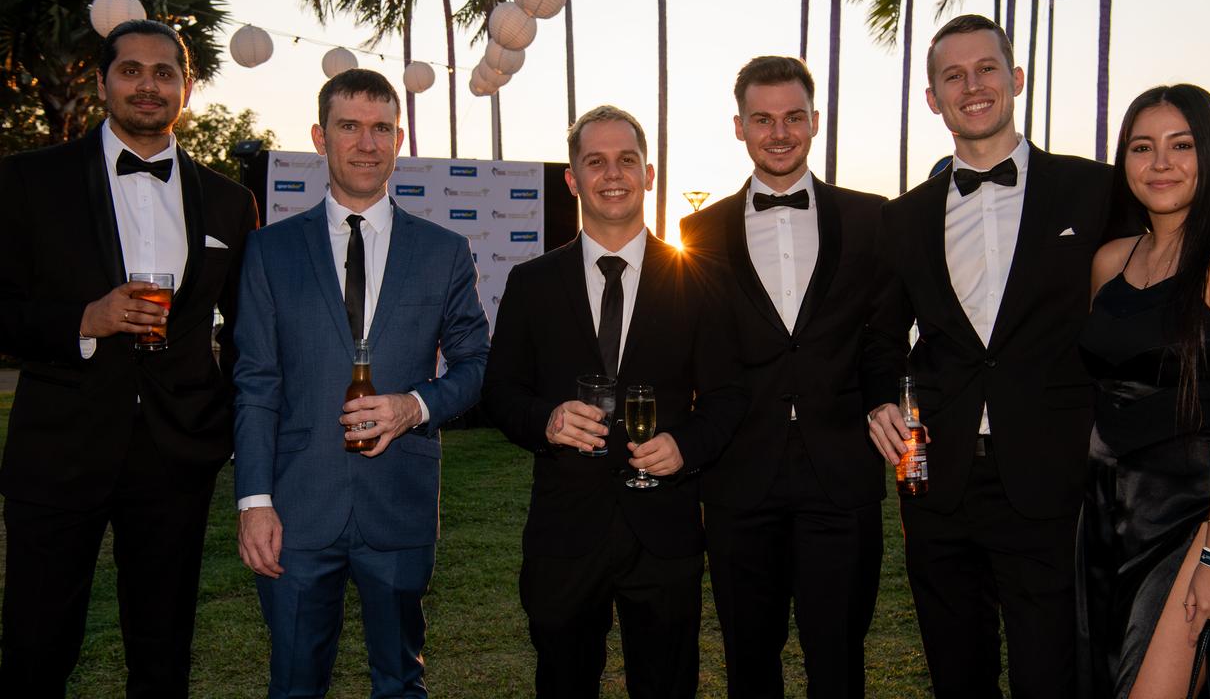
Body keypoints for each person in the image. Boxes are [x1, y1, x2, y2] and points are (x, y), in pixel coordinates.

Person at [864, 14, 1136, 698]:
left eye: (986, 68)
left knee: (1053, 673)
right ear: (933, 98)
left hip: (1055, 477)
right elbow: (878, 336)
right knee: (959, 674)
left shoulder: (1096, 191)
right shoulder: (902, 219)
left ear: (1016, 79)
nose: (972, 86)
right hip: (938, 485)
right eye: (952, 76)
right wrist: (876, 400)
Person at [0, 19, 259, 696]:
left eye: (164, 72)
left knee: (163, 647)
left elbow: (245, 333)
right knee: (35, 646)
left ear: (187, 87)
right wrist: (84, 320)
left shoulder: (231, 202)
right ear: (102, 82)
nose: (148, 84)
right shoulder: (28, 182)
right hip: (59, 449)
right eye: (131, 70)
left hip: (177, 455)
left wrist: (227, 418)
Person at [233, 68, 489, 697]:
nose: (367, 143)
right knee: (294, 683)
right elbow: (256, 383)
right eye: (350, 126)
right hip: (296, 506)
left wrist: (415, 405)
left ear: (398, 139)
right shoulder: (269, 251)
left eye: (381, 129)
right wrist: (254, 501)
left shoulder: (443, 251)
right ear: (321, 137)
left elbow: (477, 365)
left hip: (398, 502)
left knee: (401, 682)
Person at [482, 105, 746, 698]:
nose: (613, 174)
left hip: (665, 533)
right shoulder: (532, 283)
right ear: (573, 179)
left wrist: (686, 446)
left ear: (648, 174)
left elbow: (729, 396)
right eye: (595, 161)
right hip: (564, 532)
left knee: (667, 686)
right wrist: (546, 420)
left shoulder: (696, 278)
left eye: (627, 160)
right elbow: (499, 392)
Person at [678, 56, 888, 697]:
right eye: (762, 119)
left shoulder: (870, 218)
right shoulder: (699, 232)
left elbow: (884, 336)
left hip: (842, 475)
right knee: (749, 661)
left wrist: (884, 400)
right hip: (740, 479)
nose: (779, 132)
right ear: (739, 127)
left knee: (840, 661)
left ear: (815, 122)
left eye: (793, 117)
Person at [1076, 84, 1210, 698]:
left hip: (1194, 519)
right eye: (1142, 147)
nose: (1160, 162)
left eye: (1181, 145)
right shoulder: (1110, 261)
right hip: (1105, 520)